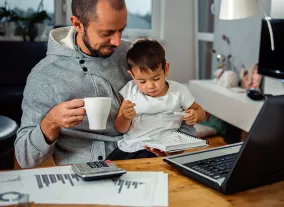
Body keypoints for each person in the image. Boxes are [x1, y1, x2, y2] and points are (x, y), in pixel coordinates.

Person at [14, 0, 194, 168]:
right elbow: (25, 158)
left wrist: (175, 144)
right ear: (78, 25)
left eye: (121, 30)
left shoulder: (130, 54)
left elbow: (174, 103)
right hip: (90, 170)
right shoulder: (45, 75)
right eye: (106, 33)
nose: (117, 41)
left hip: (149, 159)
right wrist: (50, 122)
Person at [113, 38, 206, 158]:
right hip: (132, 146)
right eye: (142, 81)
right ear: (132, 75)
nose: (150, 86)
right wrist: (125, 117)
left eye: (156, 78)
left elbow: (201, 112)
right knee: (110, 165)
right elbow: (120, 128)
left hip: (161, 147)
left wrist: (195, 115)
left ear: (166, 69)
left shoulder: (178, 91)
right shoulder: (131, 91)